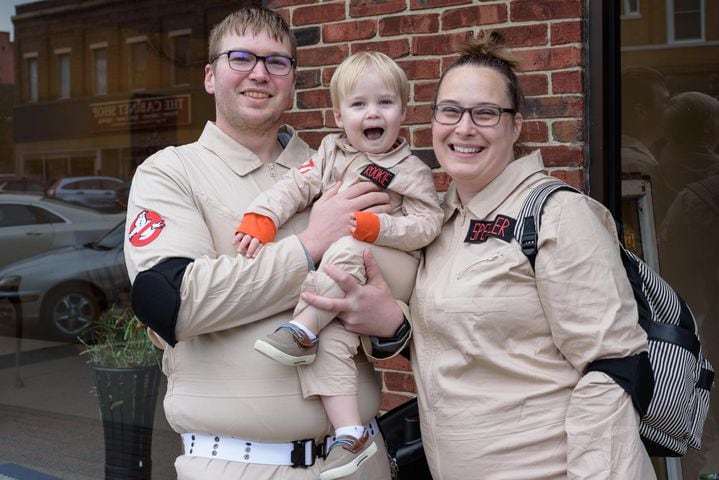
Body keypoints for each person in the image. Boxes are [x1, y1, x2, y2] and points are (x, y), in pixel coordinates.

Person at [301, 33, 657, 480]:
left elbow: (613, 370)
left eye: (485, 113)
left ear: (516, 125)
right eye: (450, 111)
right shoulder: (439, 225)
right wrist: (392, 323)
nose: (464, 128)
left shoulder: (557, 215)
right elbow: (468, 346)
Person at [123, 7, 393, 480]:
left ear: (293, 82)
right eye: (241, 57)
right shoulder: (169, 172)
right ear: (210, 76)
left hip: (360, 459)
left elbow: (399, 284)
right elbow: (176, 302)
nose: (259, 74)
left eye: (277, 62)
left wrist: (391, 324)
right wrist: (310, 243)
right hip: (237, 465)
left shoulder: (339, 169)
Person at [232, 50, 442, 479]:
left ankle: (302, 327)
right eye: (359, 104)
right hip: (345, 273)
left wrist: (375, 227)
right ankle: (351, 435)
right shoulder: (331, 152)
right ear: (340, 114)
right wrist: (262, 217)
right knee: (331, 344)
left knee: (344, 247)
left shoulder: (411, 170)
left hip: (393, 265)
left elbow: (428, 224)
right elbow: (295, 185)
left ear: (403, 110)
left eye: (385, 103)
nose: (372, 113)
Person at [620, 66, 670, 176]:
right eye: (666, 102)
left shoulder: (634, 158)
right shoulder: (637, 165)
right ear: (641, 111)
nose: (671, 109)